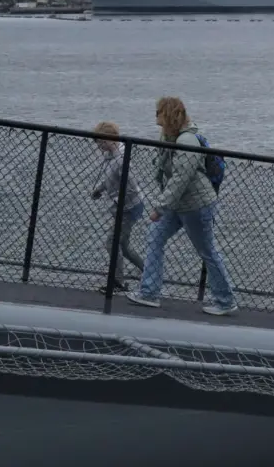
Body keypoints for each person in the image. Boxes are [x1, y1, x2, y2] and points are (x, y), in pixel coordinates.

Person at [126, 96, 238, 316]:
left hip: (196, 205)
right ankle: (149, 293)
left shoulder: (187, 141)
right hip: (177, 204)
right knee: (155, 238)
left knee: (207, 251)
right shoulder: (169, 136)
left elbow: (180, 178)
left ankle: (226, 301)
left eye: (158, 112)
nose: (155, 116)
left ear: (168, 115)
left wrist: (160, 207)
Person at [91, 121, 145, 295]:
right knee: (124, 246)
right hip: (124, 206)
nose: (99, 145)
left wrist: (117, 202)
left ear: (112, 139)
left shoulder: (121, 159)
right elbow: (110, 178)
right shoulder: (110, 157)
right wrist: (100, 189)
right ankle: (150, 272)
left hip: (129, 207)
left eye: (102, 141)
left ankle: (118, 282)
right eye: (98, 142)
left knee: (112, 243)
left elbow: (131, 187)